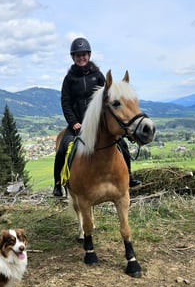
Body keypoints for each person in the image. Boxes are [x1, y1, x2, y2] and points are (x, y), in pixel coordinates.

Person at [52, 37, 141, 197]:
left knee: (122, 144)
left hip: (98, 124)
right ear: (73, 57)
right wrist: (73, 123)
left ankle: (130, 176)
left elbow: (108, 96)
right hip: (77, 124)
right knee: (63, 147)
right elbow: (66, 102)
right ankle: (58, 183)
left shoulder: (98, 75)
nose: (81, 58)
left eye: (84, 54)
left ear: (89, 55)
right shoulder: (69, 79)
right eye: (78, 55)